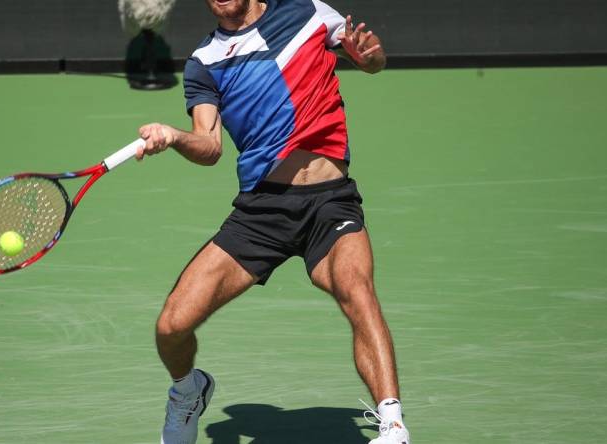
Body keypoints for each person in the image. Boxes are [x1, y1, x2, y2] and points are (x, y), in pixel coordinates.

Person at [135, 1, 410, 443]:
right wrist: (174, 137)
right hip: (262, 211)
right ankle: (188, 391)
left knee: (356, 289)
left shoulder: (308, 13)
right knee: (172, 325)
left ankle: (393, 425)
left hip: (329, 202)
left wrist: (370, 57)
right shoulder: (204, 62)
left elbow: (370, 60)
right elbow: (209, 146)